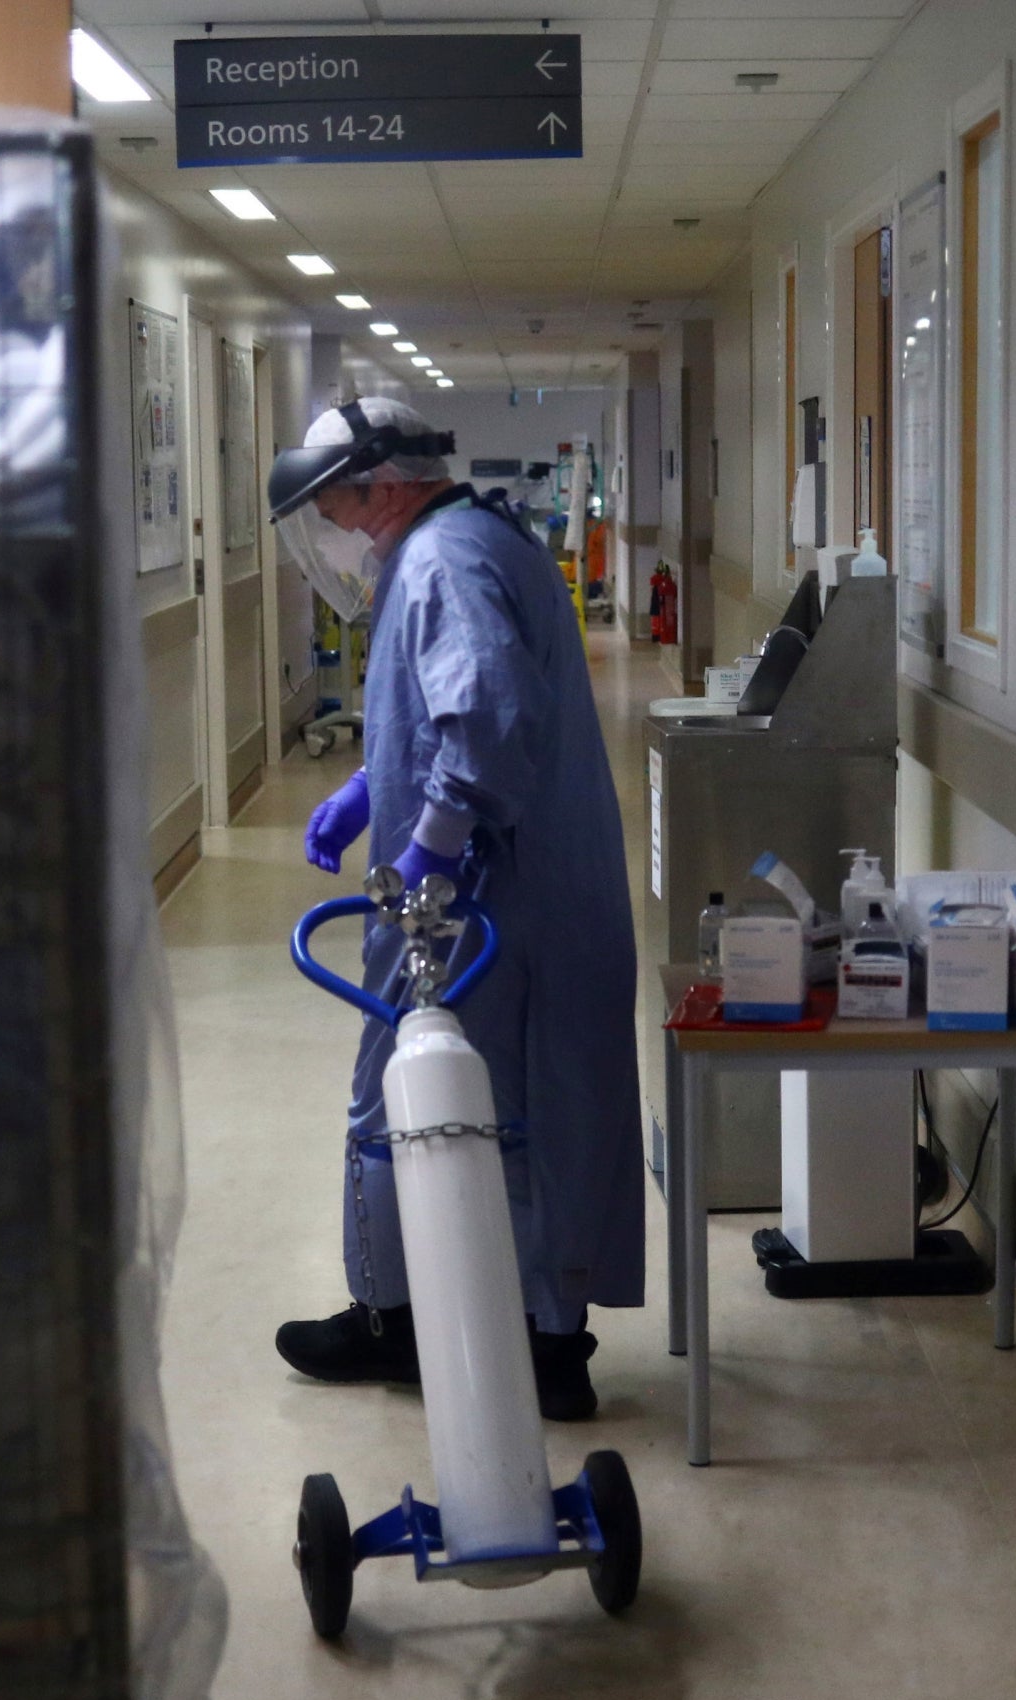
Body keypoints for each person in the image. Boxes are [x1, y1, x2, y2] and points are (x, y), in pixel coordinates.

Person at [269, 398, 643, 1421]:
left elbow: (481, 720)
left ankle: (400, 1318)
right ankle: (548, 1343)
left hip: (477, 900)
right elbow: (462, 708)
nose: (338, 530)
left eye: (337, 506)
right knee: (539, 1112)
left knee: (412, 1107)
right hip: (541, 892)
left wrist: (429, 844)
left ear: (379, 484)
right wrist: (370, 785)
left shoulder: (438, 560)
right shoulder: (486, 537)